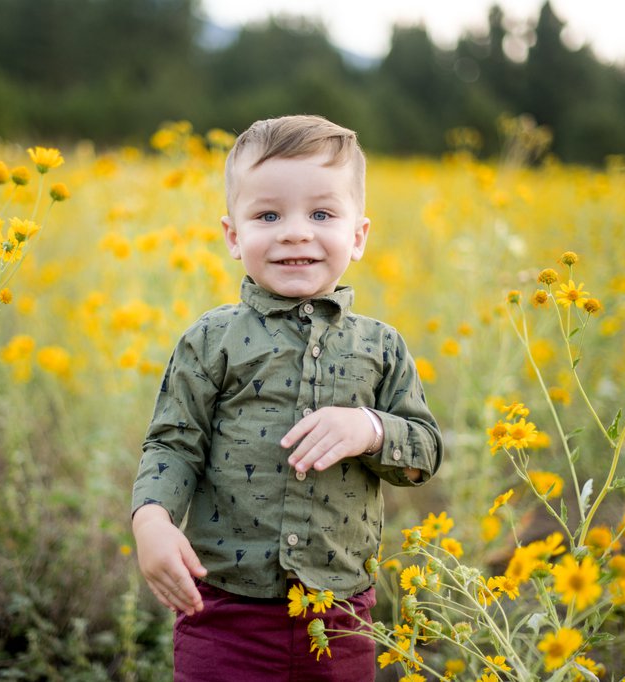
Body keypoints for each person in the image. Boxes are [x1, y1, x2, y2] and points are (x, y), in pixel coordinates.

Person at [131, 115, 443, 681]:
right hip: (223, 609)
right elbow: (173, 443)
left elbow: (423, 454)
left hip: (342, 613)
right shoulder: (212, 339)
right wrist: (152, 519)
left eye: (321, 214)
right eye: (268, 215)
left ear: (358, 235)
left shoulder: (382, 346)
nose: (295, 232)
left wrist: (370, 429)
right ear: (233, 235)